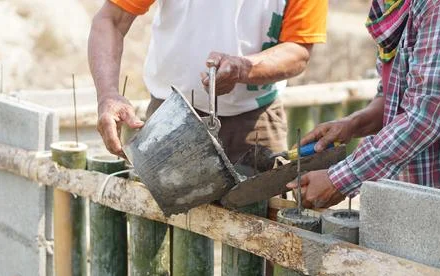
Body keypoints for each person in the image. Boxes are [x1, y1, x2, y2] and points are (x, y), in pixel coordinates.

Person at [88, 0, 328, 163]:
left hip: (256, 119)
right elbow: (111, 20)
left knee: (262, 225)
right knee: (163, 228)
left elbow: (299, 50)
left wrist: (244, 69)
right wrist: (108, 94)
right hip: (169, 113)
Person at [287, 0, 440, 208]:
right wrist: (352, 124)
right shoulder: (391, 7)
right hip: (409, 194)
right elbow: (392, 95)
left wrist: (338, 179)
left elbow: (425, 116)